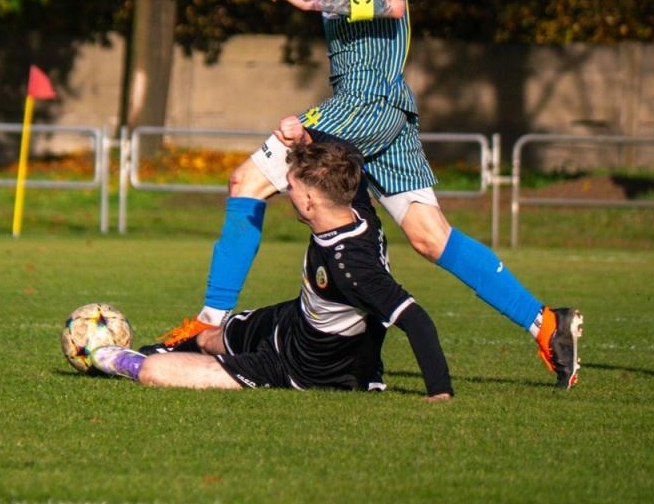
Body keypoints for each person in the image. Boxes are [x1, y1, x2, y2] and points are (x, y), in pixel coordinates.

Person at [160, 0, 583, 389]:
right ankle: (547, 324)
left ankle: (210, 323)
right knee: (430, 237)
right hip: (386, 106)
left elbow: (392, 0)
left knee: (246, 182)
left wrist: (312, 2)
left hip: (363, 100)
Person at [93, 138, 453, 399]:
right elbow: (348, 153)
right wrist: (303, 136)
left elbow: (416, 320)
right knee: (207, 337)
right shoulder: (353, 203)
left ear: (310, 200)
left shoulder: (352, 267)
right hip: (292, 322)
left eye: (291, 187)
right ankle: (160, 347)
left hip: (305, 369)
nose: (286, 192)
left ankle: (112, 357)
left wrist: (439, 392)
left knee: (155, 372)